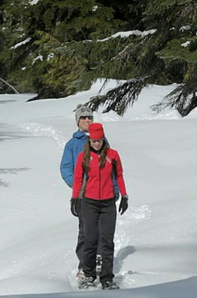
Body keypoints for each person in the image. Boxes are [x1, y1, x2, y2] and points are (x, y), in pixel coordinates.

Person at [70, 123, 128, 290]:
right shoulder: (83, 156)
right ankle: (88, 274)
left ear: (104, 139)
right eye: (94, 141)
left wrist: (124, 195)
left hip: (108, 203)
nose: (97, 143)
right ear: (89, 140)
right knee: (90, 239)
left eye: (100, 140)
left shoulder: (113, 155)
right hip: (89, 202)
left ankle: (107, 278)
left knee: (107, 241)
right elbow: (78, 178)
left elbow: (119, 176)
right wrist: (75, 198)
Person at [59, 105, 95, 277]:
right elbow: (65, 168)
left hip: (102, 192)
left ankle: (100, 260)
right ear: (78, 122)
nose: (87, 120)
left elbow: (111, 165)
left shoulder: (101, 140)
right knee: (85, 230)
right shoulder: (72, 144)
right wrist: (76, 185)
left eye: (89, 117)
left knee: (102, 229)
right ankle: (84, 264)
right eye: (83, 118)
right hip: (82, 194)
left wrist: (114, 188)